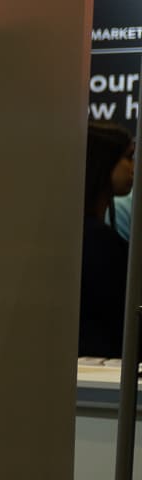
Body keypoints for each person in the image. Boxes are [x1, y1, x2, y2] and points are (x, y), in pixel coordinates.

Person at [80, 121, 136, 357]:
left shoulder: (87, 236)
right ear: (104, 161)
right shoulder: (100, 243)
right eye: (128, 157)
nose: (133, 167)